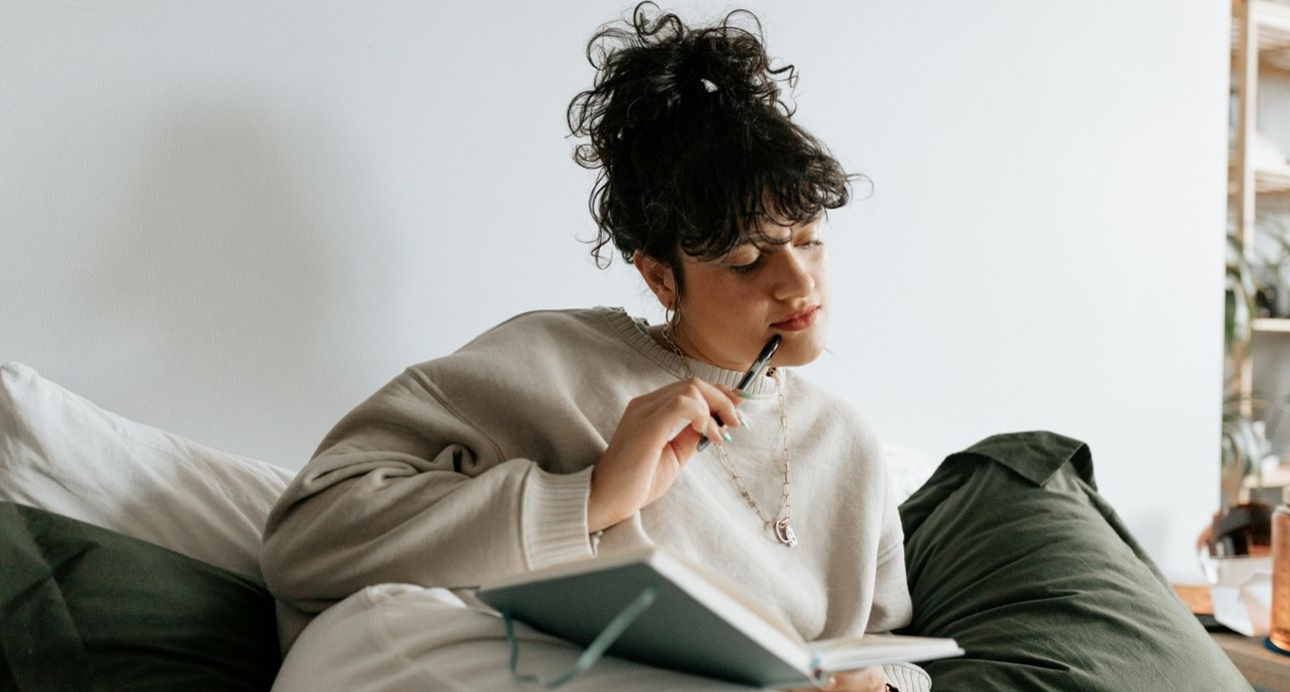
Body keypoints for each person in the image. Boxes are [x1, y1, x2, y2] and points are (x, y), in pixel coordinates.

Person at [261, 4, 929, 691]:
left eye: (810, 240)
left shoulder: (849, 446)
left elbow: (894, 651)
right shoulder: (546, 361)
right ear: (660, 277)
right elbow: (305, 539)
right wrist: (590, 497)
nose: (799, 282)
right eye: (746, 260)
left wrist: (877, 684)